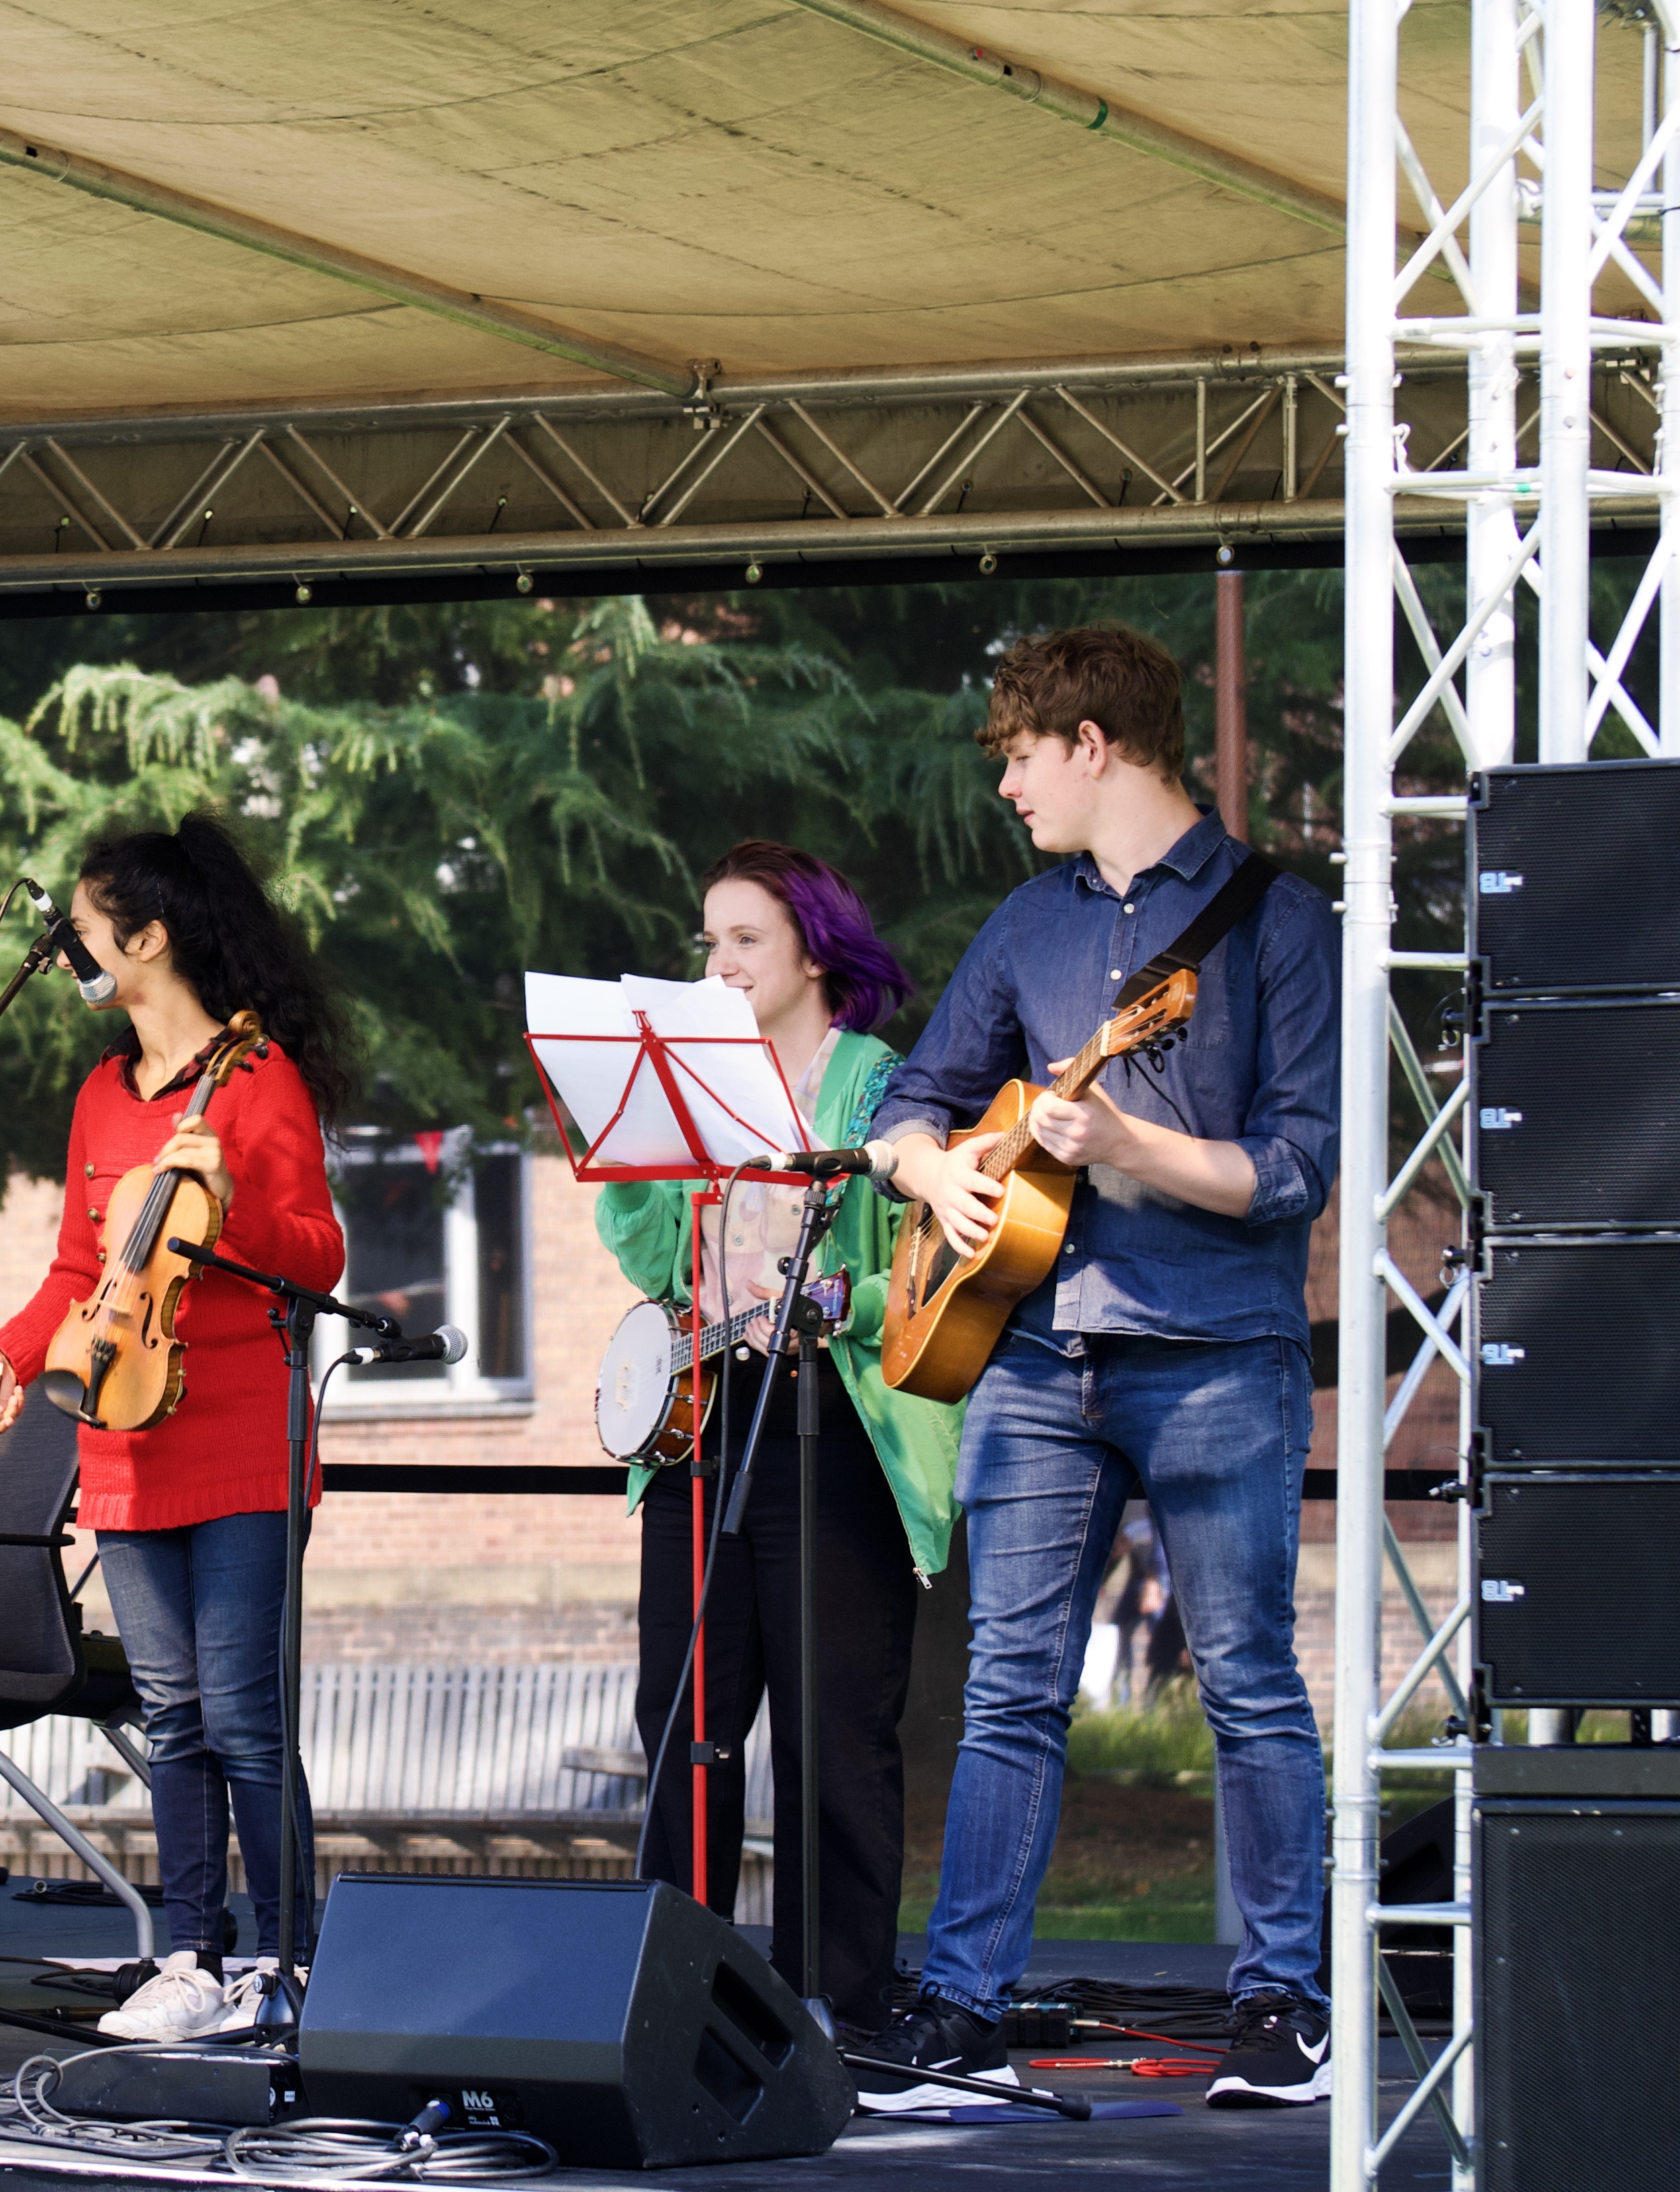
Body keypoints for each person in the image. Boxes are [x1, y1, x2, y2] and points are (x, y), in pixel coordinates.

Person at [861, 625, 1340, 2112]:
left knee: (1246, 1686)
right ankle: (959, 2005)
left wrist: (1128, 1146)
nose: (1005, 783)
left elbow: (1299, 1170)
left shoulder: (1277, 919)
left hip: (1211, 1354)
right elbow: (905, 1103)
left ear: (1090, 744)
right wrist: (931, 1181)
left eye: (1016, 754)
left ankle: (1281, 2011)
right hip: (1030, 1352)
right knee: (1009, 1687)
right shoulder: (1026, 927)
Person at [0, 815, 353, 2044]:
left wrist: (228, 1213)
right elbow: (78, 1270)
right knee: (173, 1713)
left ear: (148, 939)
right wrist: (10, 1353)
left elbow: (319, 1253)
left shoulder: (258, 1079)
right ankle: (189, 1954)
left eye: (88, 932)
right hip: (121, 1436)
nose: (76, 953)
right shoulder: (99, 1096)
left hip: (239, 1433)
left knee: (244, 1714)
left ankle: (286, 1963)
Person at [592, 841, 963, 2041]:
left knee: (833, 1729)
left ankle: (837, 2006)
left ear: (814, 948)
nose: (721, 962)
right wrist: (624, 1154)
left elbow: (923, 1269)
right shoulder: (695, 1075)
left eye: (745, 938)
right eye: (709, 940)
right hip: (705, 1418)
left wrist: (845, 1296)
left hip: (833, 1422)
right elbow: (660, 1262)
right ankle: (682, 2002)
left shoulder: (879, 1086)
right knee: (686, 1716)